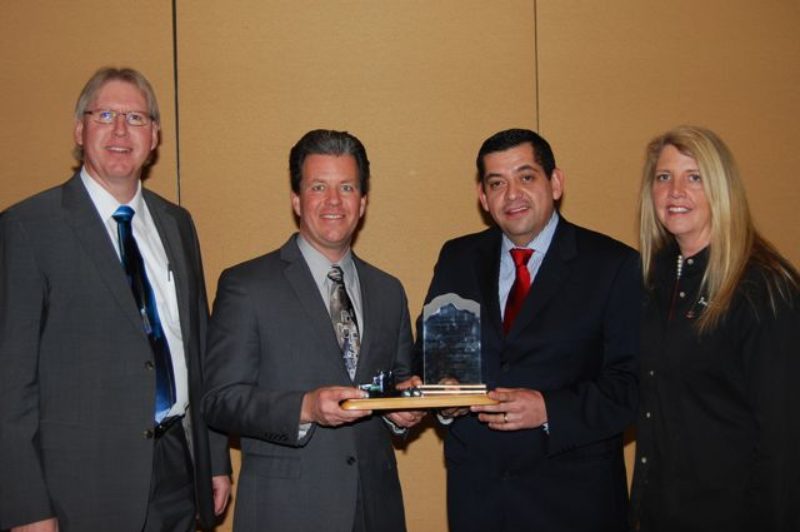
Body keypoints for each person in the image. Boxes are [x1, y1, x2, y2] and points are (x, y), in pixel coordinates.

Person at [0, 67, 231, 532]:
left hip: (177, 468)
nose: (121, 130)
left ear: (155, 137)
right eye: (105, 114)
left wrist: (214, 455)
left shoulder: (177, 223)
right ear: (80, 129)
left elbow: (199, 352)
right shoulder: (28, 228)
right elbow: (9, 386)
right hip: (79, 491)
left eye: (136, 118)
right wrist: (26, 508)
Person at [417, 128, 640, 531]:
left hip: (574, 502)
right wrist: (442, 396)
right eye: (496, 183)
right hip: (478, 500)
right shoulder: (458, 257)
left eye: (526, 177)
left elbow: (631, 383)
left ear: (555, 183)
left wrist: (549, 409)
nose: (512, 194)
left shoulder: (613, 265)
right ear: (483, 198)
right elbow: (433, 352)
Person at [202, 129, 424, 532]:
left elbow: (394, 382)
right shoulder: (247, 285)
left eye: (347, 187)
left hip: (376, 508)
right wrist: (304, 407)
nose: (334, 201)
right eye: (318, 186)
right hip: (285, 511)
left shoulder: (389, 291)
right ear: (296, 200)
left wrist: (401, 411)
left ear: (363, 202)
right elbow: (219, 400)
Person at [629, 125, 800, 531]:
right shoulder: (654, 279)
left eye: (695, 177)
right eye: (664, 177)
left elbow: (784, 441)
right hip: (659, 512)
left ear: (722, 189)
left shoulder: (765, 288)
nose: (675, 192)